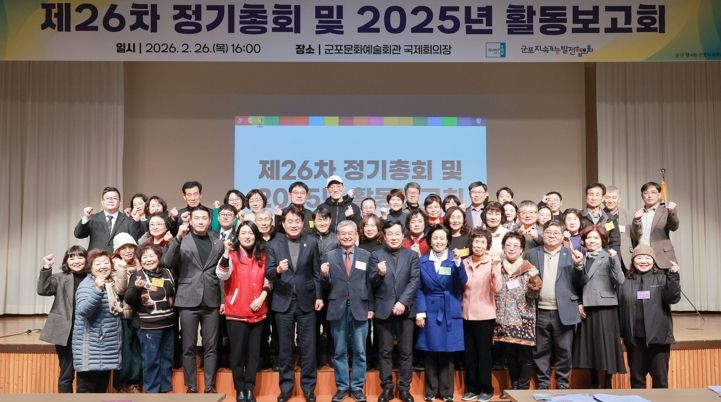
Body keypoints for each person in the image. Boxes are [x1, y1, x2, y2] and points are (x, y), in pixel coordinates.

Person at [162, 205, 224, 393]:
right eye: (196, 218)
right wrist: (177, 238)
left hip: (212, 299)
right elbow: (167, 262)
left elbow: (222, 274)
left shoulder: (218, 242)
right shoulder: (182, 239)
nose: (200, 221)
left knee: (211, 346)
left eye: (204, 218)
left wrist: (223, 300)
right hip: (187, 299)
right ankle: (191, 386)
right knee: (188, 346)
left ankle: (210, 386)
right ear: (190, 220)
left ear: (210, 220)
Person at [265, 206, 323, 402]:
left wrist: (319, 296)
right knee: (285, 348)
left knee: (308, 347)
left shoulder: (312, 242)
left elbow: (316, 273)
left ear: (303, 223)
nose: (293, 225)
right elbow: (268, 273)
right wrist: (278, 270)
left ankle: (309, 388)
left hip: (307, 301)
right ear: (283, 224)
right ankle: (286, 388)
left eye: (297, 221)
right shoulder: (274, 244)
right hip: (283, 301)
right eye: (289, 221)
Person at [216, 221, 272, 402]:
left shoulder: (263, 255)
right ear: (237, 236)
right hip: (236, 312)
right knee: (237, 354)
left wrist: (262, 297)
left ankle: (249, 388)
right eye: (243, 233)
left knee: (254, 355)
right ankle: (239, 388)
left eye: (251, 233)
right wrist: (226, 252)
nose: (247, 236)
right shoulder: (231, 255)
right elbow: (222, 274)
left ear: (256, 236)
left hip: (258, 311)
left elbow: (269, 279)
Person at [320, 221, 374, 402]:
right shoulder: (329, 256)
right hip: (337, 307)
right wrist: (324, 276)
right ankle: (342, 386)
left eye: (350, 233)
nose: (347, 236)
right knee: (339, 351)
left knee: (360, 351)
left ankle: (357, 387)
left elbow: (370, 284)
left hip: (360, 307)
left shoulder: (366, 255)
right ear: (338, 236)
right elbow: (324, 286)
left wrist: (371, 307)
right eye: (343, 233)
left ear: (356, 235)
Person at [525, 221, 582, 390]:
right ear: (542, 234)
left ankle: (562, 384)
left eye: (556, 233)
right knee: (540, 350)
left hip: (563, 310)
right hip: (539, 310)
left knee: (564, 351)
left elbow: (580, 282)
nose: (551, 235)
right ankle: (543, 384)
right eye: (548, 232)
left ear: (563, 236)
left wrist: (579, 265)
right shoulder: (531, 254)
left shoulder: (571, 254)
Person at [415, 225, 468, 402]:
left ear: (447, 241)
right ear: (430, 241)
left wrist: (459, 263)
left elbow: (462, 281)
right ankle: (430, 392)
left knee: (448, 351)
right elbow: (419, 289)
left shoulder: (455, 259)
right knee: (430, 351)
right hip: (430, 309)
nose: (438, 241)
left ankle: (446, 392)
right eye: (435, 238)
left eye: (442, 238)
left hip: (450, 308)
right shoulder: (422, 261)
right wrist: (420, 312)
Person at [369, 221, 420, 402]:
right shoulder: (376, 255)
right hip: (383, 310)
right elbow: (371, 283)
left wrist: (402, 302)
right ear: (384, 235)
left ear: (402, 235)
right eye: (390, 234)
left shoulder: (412, 255)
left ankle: (404, 389)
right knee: (385, 351)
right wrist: (379, 274)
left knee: (406, 352)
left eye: (397, 233)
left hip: (406, 311)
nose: (394, 237)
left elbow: (414, 281)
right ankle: (387, 388)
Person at [617, 245, 680, 389]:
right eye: (639, 257)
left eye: (647, 258)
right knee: (637, 381)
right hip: (634, 340)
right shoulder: (624, 281)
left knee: (660, 381)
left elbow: (672, 298)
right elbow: (620, 308)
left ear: (653, 260)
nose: (643, 261)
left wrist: (673, 276)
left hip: (658, 340)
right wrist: (620, 334)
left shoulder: (662, 278)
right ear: (633, 261)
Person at [572, 225, 626, 389]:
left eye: (595, 237)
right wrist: (579, 302)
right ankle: (594, 382)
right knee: (590, 346)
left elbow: (620, 280)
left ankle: (608, 382)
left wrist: (614, 259)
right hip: (587, 307)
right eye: (588, 238)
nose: (592, 241)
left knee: (607, 344)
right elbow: (577, 284)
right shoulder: (580, 257)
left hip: (605, 307)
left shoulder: (608, 256)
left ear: (603, 240)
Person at [124, 244, 176, 393]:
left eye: (152, 256)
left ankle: (166, 388)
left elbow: (172, 293)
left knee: (167, 358)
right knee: (151, 360)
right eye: (145, 257)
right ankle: (152, 391)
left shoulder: (168, 272)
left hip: (168, 324)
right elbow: (129, 300)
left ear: (158, 257)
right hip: (148, 326)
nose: (149, 260)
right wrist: (136, 288)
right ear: (140, 260)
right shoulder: (137, 276)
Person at [493, 232, 542, 391]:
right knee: (510, 355)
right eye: (508, 245)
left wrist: (534, 280)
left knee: (524, 356)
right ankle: (514, 386)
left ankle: (522, 387)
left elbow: (533, 295)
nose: (511, 248)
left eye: (516, 246)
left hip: (523, 319)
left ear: (522, 249)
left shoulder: (529, 269)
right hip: (503, 318)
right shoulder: (497, 268)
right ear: (503, 248)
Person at [37, 245, 88, 393]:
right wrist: (47, 267)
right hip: (66, 333)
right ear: (66, 261)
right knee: (66, 374)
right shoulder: (60, 278)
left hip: (87, 332)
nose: (76, 261)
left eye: (80, 257)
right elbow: (43, 290)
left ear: (86, 259)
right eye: (72, 258)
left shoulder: (92, 277)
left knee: (86, 376)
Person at [72, 249, 123, 393]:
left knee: (100, 392)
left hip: (105, 349)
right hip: (92, 350)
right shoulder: (88, 285)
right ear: (90, 267)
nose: (103, 266)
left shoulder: (109, 283)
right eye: (98, 263)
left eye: (106, 262)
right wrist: (97, 289)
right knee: (86, 392)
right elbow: (83, 310)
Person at [460, 229, 501, 402]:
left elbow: (497, 288)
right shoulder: (463, 262)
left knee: (484, 355)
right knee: (469, 355)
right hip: (465, 314)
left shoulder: (493, 262)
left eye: (482, 242)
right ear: (471, 243)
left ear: (487, 245)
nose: (479, 245)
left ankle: (486, 389)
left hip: (485, 314)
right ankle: (471, 388)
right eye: (476, 241)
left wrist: (494, 270)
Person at [111, 233, 142, 393]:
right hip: (124, 314)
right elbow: (121, 290)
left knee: (137, 348)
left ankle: (135, 382)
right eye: (124, 248)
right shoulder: (113, 266)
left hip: (141, 313)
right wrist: (122, 269)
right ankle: (121, 383)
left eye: (131, 247)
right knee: (125, 349)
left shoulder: (141, 263)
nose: (128, 251)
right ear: (117, 251)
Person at [629, 182, 680, 269]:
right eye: (646, 193)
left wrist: (672, 213)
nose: (649, 196)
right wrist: (636, 220)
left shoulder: (666, 211)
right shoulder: (637, 214)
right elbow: (635, 236)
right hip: (642, 258)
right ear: (642, 196)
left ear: (659, 195)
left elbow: (674, 226)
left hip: (662, 257)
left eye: (653, 192)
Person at [74, 186, 134, 252]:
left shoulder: (128, 221)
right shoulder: (92, 218)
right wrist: (86, 217)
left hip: (118, 258)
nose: (110, 201)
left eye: (114, 198)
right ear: (102, 202)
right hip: (96, 257)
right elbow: (78, 234)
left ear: (120, 202)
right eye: (107, 198)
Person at [581, 182, 621, 255]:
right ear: (586, 197)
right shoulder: (579, 216)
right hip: (583, 256)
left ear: (603, 198)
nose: (594, 198)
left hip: (604, 257)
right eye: (591, 194)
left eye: (597, 195)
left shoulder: (610, 219)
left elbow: (615, 242)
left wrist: (611, 257)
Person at [604, 186, 634, 270]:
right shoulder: (600, 215)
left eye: (614, 198)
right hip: (607, 256)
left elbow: (636, 236)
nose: (610, 201)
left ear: (619, 199)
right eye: (607, 197)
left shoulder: (630, 215)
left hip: (626, 258)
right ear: (603, 199)